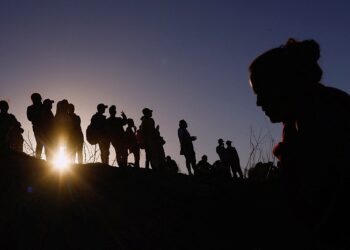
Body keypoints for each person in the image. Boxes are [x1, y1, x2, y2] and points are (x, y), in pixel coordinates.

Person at [249, 38, 350, 242]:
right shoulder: (300, 121)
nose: (259, 103)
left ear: (283, 85)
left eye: (262, 92)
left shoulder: (325, 114)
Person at [27, 93, 44, 158]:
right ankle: (37, 160)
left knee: (48, 144)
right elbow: (29, 117)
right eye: (38, 98)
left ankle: (49, 162)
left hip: (47, 129)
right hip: (37, 128)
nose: (40, 99)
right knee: (40, 144)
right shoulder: (30, 108)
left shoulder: (44, 106)